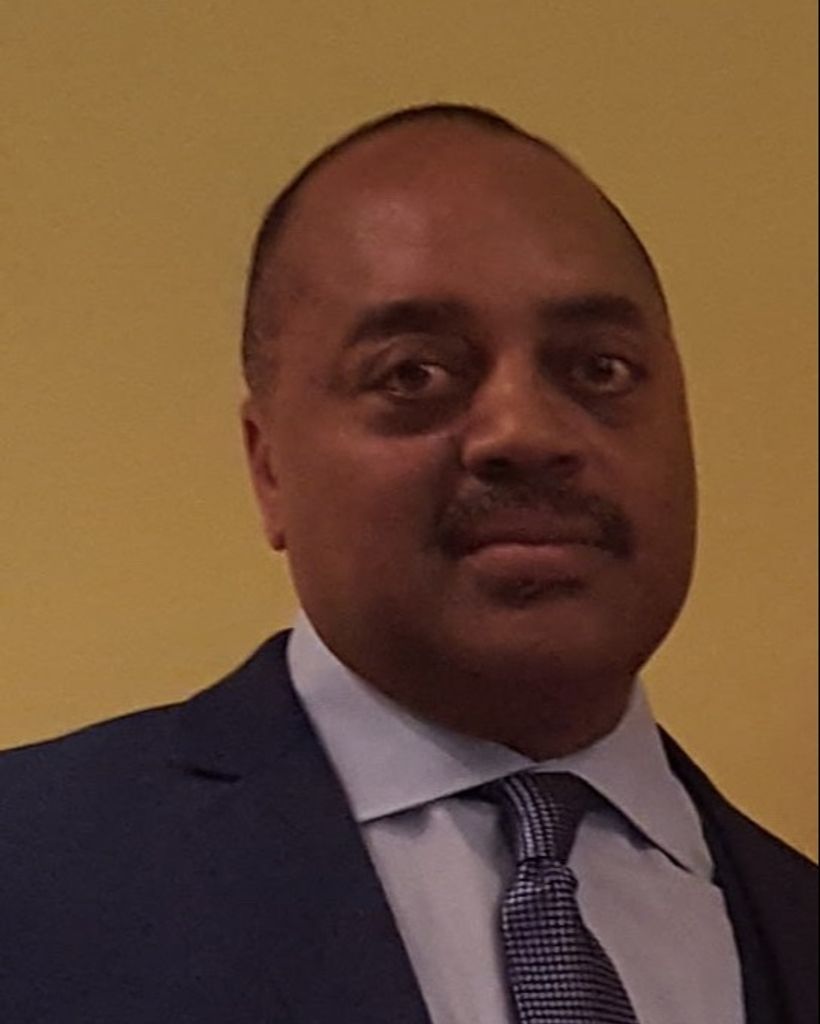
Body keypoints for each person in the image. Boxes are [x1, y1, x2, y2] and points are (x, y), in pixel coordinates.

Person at [0, 104, 815, 1024]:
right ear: (269, 468)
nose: (526, 431)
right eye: (414, 374)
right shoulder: (28, 874)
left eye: (600, 370)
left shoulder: (794, 925)